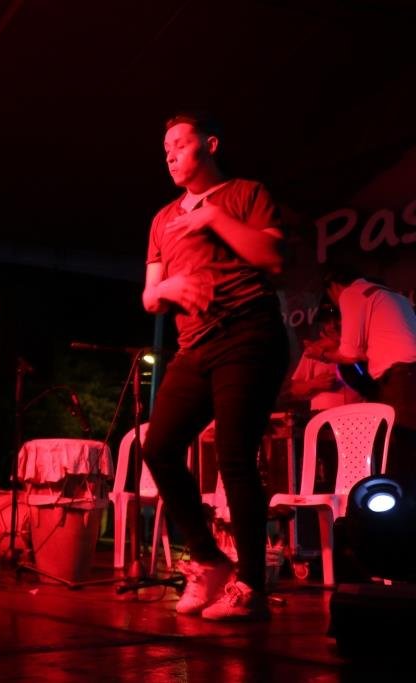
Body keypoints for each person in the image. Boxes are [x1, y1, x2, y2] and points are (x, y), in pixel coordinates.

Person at [140, 112, 288, 620]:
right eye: (166, 150)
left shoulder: (246, 193)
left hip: (248, 332)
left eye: (181, 144)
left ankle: (251, 585)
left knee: (234, 454)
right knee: (158, 447)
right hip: (195, 346)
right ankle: (209, 561)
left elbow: (273, 257)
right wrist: (169, 287)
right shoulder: (162, 219)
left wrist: (213, 219)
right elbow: (149, 297)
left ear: (210, 144)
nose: (171, 156)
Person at [318, 266, 416, 493]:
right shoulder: (393, 295)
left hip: (402, 379)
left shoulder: (351, 293)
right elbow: (371, 349)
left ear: (334, 287)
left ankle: (401, 511)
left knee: (400, 452)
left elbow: (349, 355)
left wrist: (321, 353)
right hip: (409, 375)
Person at [284, 307, 361, 414]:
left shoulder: (361, 347)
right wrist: (313, 384)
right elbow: (295, 389)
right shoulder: (314, 349)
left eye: (338, 319)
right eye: (327, 322)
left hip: (359, 413)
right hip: (323, 416)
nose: (333, 325)